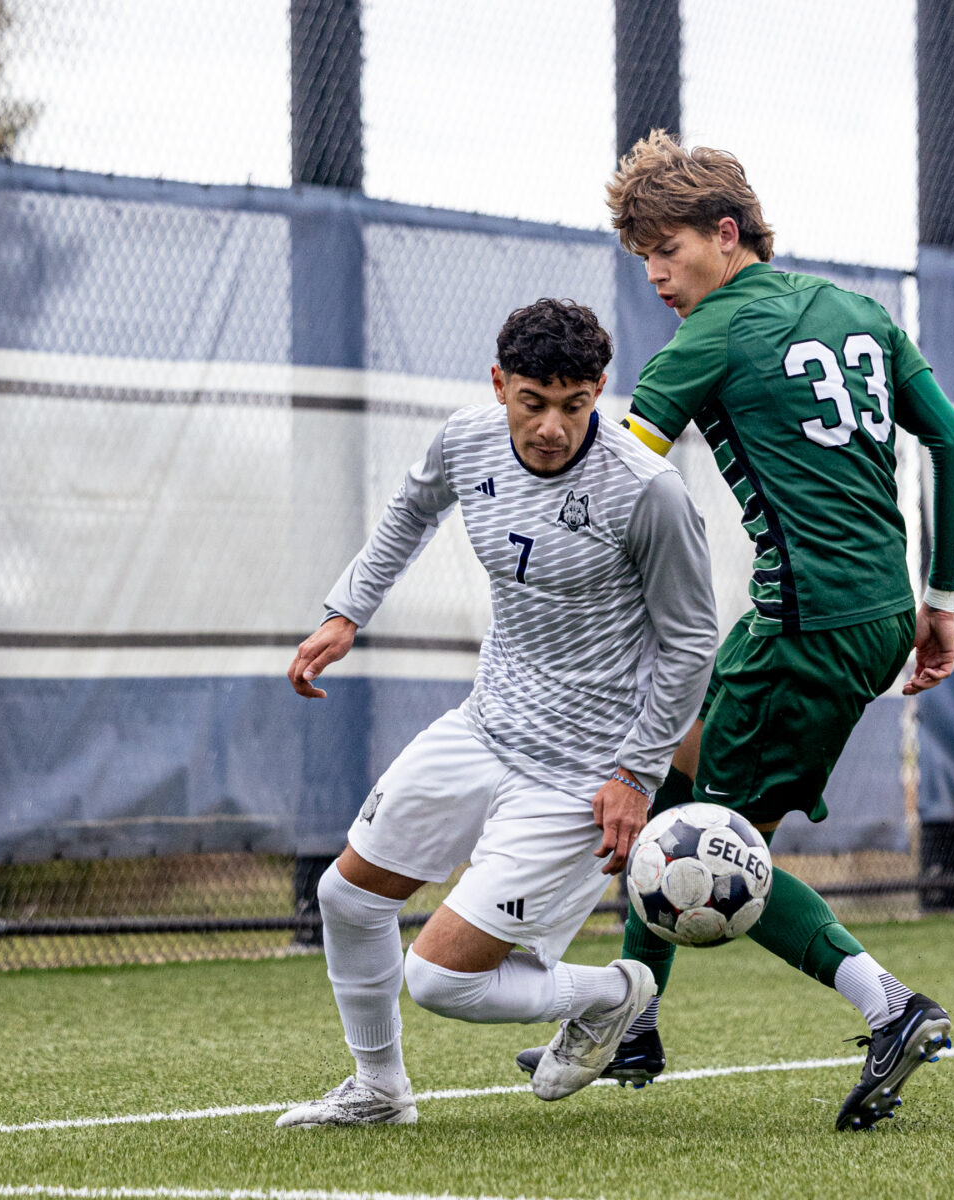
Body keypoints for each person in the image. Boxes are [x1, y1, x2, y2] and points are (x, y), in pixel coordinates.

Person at [516, 132, 954, 1131]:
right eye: (642, 254)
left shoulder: (714, 334)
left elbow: (617, 475)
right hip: (869, 612)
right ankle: (633, 1020)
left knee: (711, 845)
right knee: (669, 783)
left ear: (726, 234)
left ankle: (891, 1007)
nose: (654, 276)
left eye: (666, 250)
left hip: (803, 624)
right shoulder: (858, 311)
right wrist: (939, 601)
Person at [276, 298, 719, 1127]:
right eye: (533, 401)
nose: (552, 426)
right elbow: (411, 511)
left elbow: (693, 644)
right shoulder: (465, 438)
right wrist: (346, 613)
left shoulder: (645, 492)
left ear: (599, 392)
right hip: (486, 727)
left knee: (440, 977)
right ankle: (378, 1092)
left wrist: (635, 774)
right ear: (499, 384)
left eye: (575, 404)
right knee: (347, 897)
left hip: (582, 774)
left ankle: (616, 992)